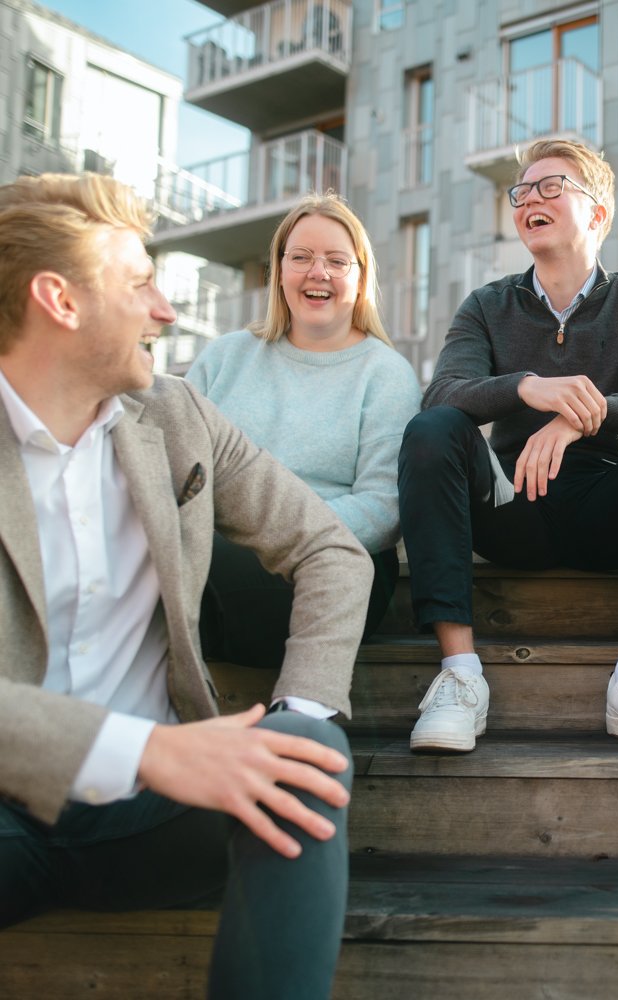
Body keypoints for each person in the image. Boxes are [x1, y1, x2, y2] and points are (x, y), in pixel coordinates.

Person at [0, 173, 373, 999]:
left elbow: (331, 548)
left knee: (306, 756)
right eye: (139, 284)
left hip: (151, 816)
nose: (166, 311)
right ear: (59, 299)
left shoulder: (178, 417)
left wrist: (296, 709)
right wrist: (151, 749)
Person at [398, 138, 618, 754]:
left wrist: (584, 416)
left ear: (597, 213)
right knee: (432, 429)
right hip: (510, 502)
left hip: (605, 502)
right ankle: (460, 677)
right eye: (522, 192)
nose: (529, 200)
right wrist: (530, 388)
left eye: (551, 187)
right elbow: (444, 392)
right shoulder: (487, 305)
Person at [187, 193, 421, 668]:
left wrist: (273, 533)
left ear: (360, 276)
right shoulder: (225, 357)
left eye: (337, 261)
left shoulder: (386, 374)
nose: (319, 272)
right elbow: (179, 467)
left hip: (327, 567)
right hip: (210, 551)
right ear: (279, 270)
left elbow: (384, 505)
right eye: (301, 257)